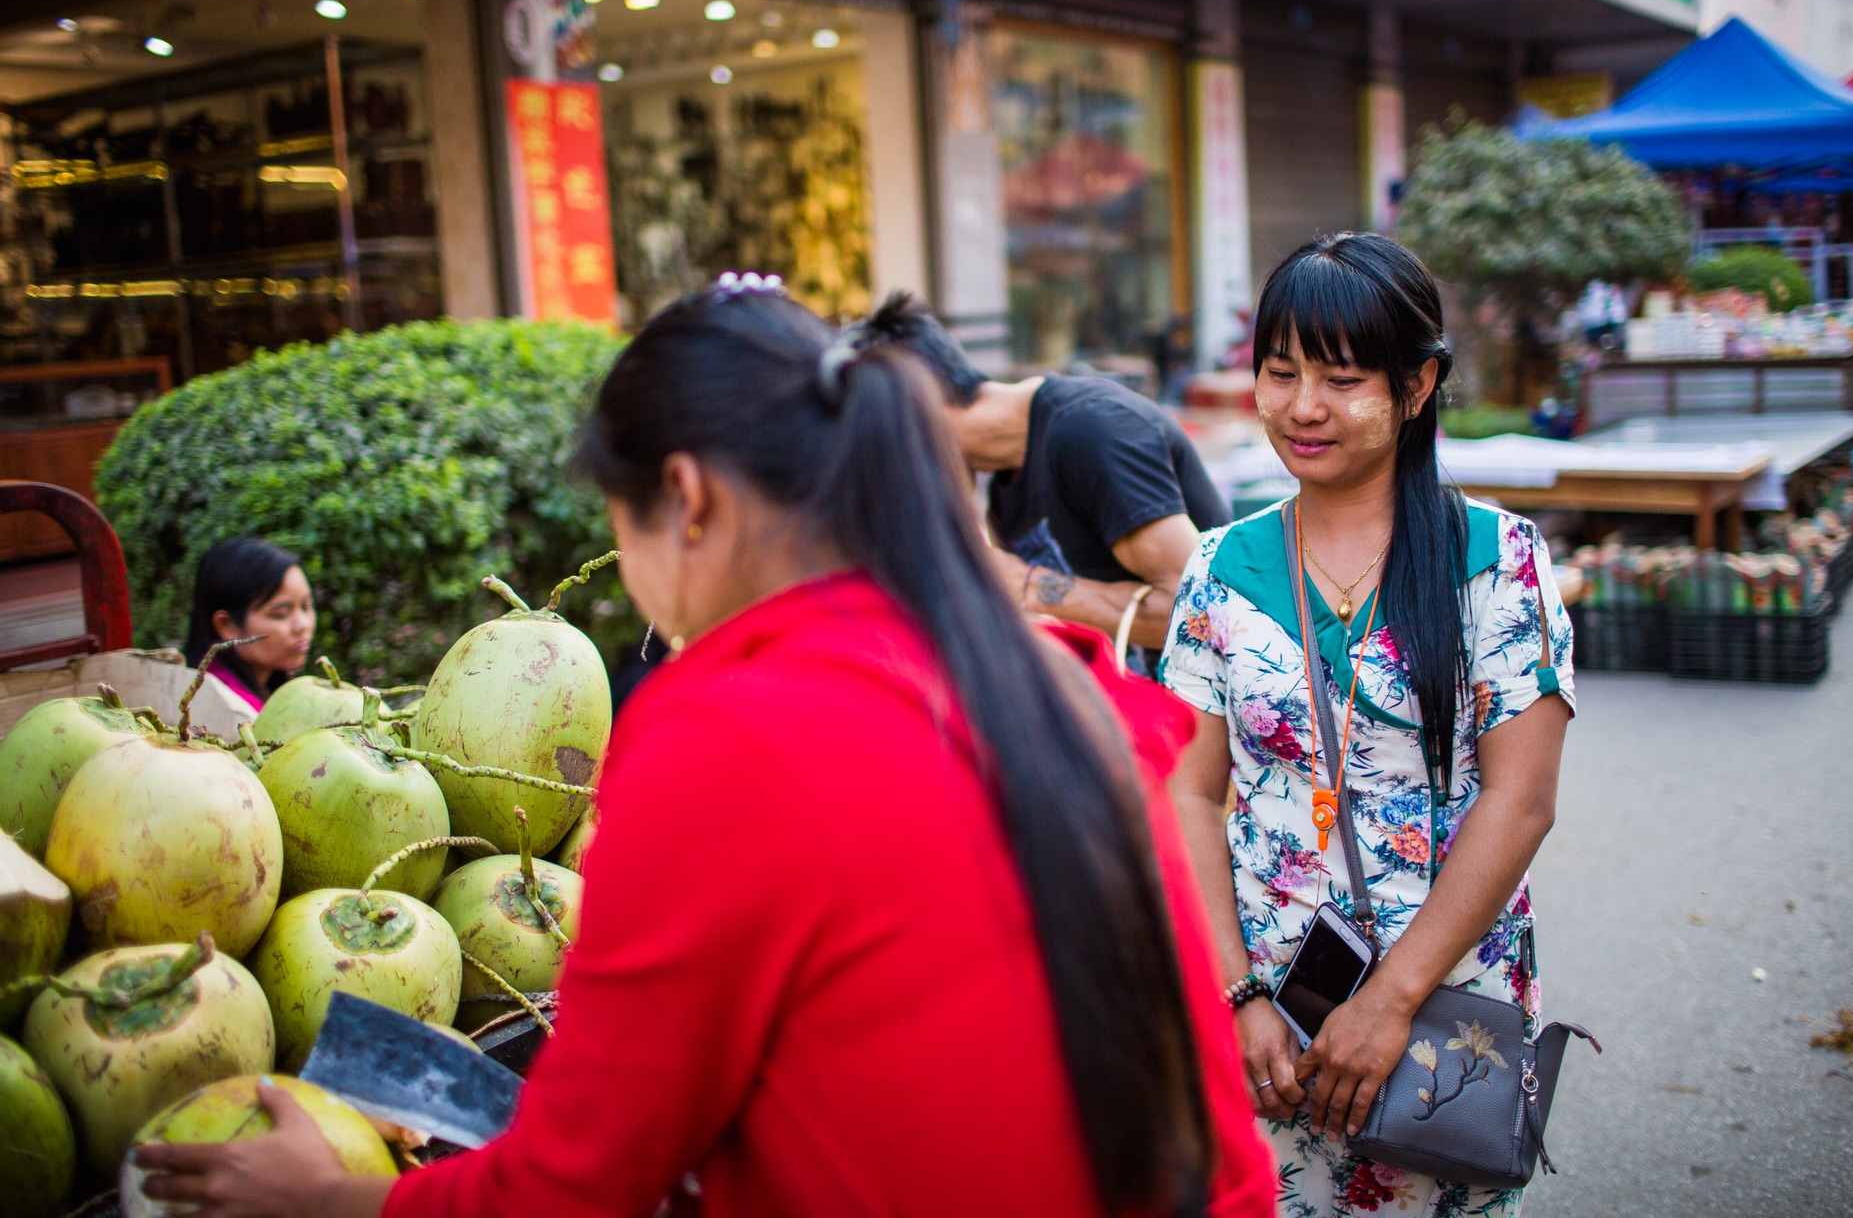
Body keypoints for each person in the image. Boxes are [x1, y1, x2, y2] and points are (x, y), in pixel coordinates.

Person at [135, 282, 1274, 1217]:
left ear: (682, 498)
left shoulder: (726, 738)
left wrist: (332, 1198)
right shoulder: (1043, 678)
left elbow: (574, 1186)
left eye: (623, 534)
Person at [1161, 233, 1574, 1216]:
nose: (1303, 406)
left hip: (1446, 1004)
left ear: (1419, 384)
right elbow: (1185, 788)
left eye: (1342, 379)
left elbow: (1520, 801)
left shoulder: (1498, 558)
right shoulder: (1219, 568)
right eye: (1280, 371)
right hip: (1268, 1013)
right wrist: (1238, 996)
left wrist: (1390, 1002)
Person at [858, 292, 1230, 662]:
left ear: (916, 403)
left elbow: (1204, 614)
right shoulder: (1005, 493)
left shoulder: (1095, 431)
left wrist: (1024, 583)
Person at [183, 537, 316, 711]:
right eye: (280, 614)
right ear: (226, 624)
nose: (302, 625)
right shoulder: (226, 710)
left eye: (306, 606)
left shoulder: (267, 690)